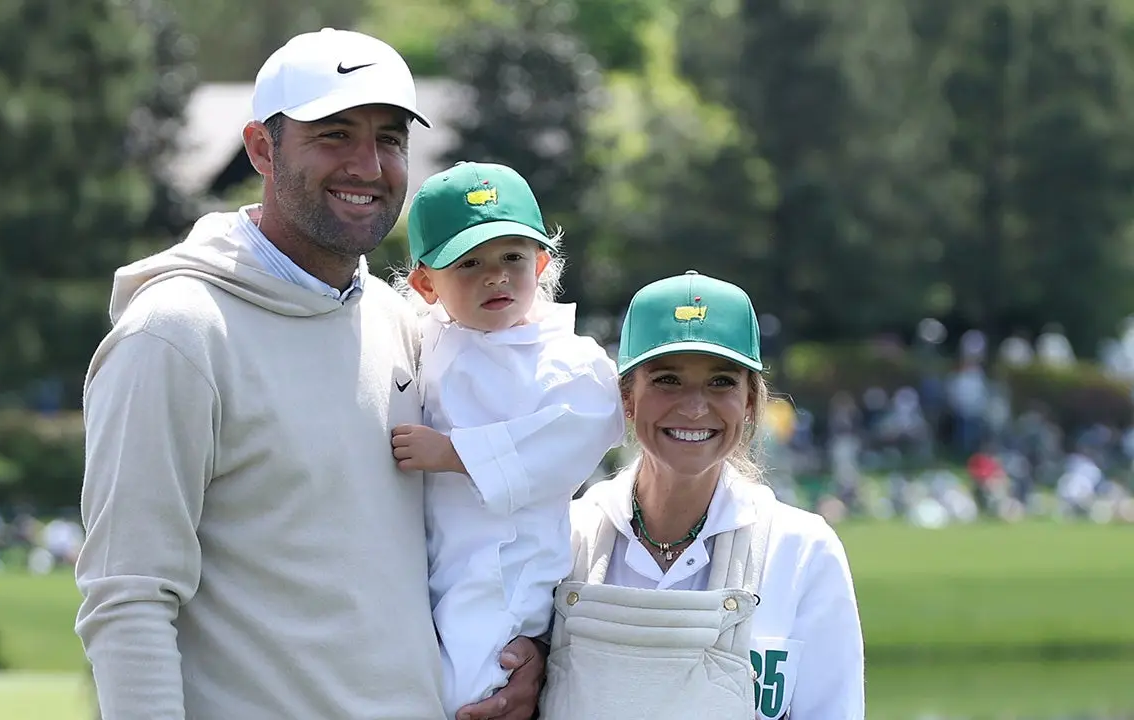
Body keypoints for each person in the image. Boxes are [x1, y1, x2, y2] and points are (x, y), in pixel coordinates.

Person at [74, 28, 544, 720]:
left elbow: (470, 528)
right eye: (334, 134)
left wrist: (520, 648)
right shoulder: (174, 335)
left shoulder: (403, 324)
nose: (368, 164)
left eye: (389, 138)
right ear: (262, 148)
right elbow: (128, 596)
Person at [540, 271, 866, 719]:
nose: (694, 407)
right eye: (667, 380)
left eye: (721, 382)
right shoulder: (565, 534)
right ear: (627, 396)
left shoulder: (802, 550)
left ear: (751, 402)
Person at [389, 162, 625, 718]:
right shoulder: (424, 339)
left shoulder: (570, 361)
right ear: (426, 284)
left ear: (541, 264)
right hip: (436, 559)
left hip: (506, 570)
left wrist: (455, 454)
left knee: (473, 686)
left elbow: (579, 431)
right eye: (469, 263)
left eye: (512, 258)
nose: (495, 277)